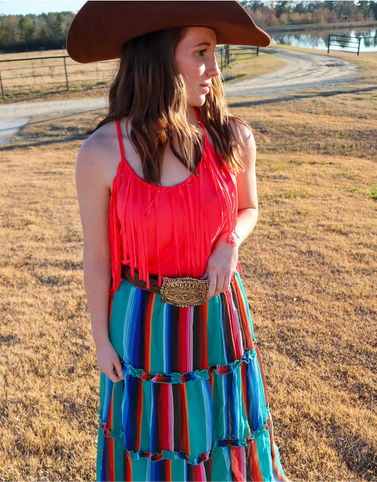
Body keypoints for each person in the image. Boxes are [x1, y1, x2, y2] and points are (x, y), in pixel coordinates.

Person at [68, 2, 290, 481]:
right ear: (159, 56)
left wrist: (230, 239)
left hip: (218, 316)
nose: (214, 69)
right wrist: (102, 340)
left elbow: (248, 209)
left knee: (222, 434)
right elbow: (97, 258)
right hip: (143, 327)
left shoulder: (231, 136)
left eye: (214, 53)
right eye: (202, 52)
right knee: (154, 443)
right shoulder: (102, 152)